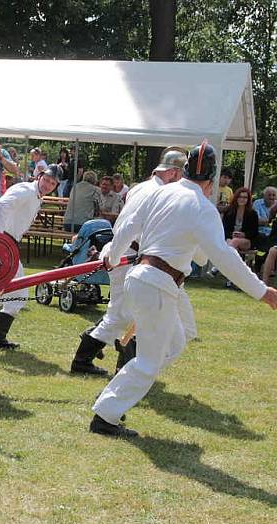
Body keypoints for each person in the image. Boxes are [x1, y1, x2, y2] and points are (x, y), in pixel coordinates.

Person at [89, 142, 277, 437]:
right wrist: (261, 291)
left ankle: (121, 386)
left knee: (175, 342)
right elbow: (222, 256)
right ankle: (106, 414)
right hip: (158, 283)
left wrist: (112, 257)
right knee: (150, 360)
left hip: (143, 278)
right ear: (212, 179)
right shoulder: (202, 207)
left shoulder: (160, 193)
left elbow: (126, 228)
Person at [69, 148, 191, 376]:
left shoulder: (141, 187)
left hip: (123, 251)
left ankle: (88, 358)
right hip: (128, 253)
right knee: (129, 316)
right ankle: (116, 366)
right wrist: (115, 256)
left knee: (122, 315)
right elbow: (131, 227)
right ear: (174, 173)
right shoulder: (159, 193)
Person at [0, 165, 61, 349]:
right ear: (39, 176)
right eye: (47, 180)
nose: (48, 185)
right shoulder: (26, 190)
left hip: (8, 245)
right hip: (5, 245)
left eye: (53, 183)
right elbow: (1, 206)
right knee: (16, 294)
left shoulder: (35, 196)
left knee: (4, 293)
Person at [221, 187, 259, 253]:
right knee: (231, 244)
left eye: (245, 197)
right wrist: (231, 234)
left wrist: (244, 234)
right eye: (240, 197)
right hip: (230, 238)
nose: (242, 199)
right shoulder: (229, 212)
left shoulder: (253, 214)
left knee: (234, 242)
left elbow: (254, 231)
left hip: (246, 241)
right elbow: (223, 229)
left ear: (248, 199)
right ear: (236, 198)